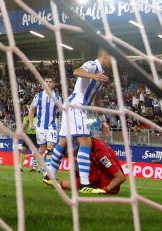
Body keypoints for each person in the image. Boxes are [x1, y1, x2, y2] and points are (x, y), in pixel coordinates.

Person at [45, 49, 112, 195]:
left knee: (63, 142)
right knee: (86, 142)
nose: (112, 61)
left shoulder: (100, 76)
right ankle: (84, 184)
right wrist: (94, 76)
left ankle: (48, 175)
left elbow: (97, 100)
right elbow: (76, 71)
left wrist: (103, 121)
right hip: (77, 106)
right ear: (104, 55)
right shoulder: (92, 65)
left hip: (72, 106)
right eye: (111, 57)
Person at [43, 137, 126, 194]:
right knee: (66, 181)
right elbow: (72, 155)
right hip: (95, 179)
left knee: (65, 184)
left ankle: (53, 180)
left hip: (105, 184)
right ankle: (54, 180)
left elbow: (121, 177)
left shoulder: (100, 152)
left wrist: (104, 190)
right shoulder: (87, 145)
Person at [28, 77, 60, 173]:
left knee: (50, 149)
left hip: (52, 126)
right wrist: (30, 123)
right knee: (42, 149)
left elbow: (62, 111)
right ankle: (40, 164)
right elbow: (32, 109)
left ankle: (48, 173)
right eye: (46, 82)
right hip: (40, 127)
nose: (48, 83)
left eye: (50, 82)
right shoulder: (39, 96)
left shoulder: (58, 98)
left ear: (54, 84)